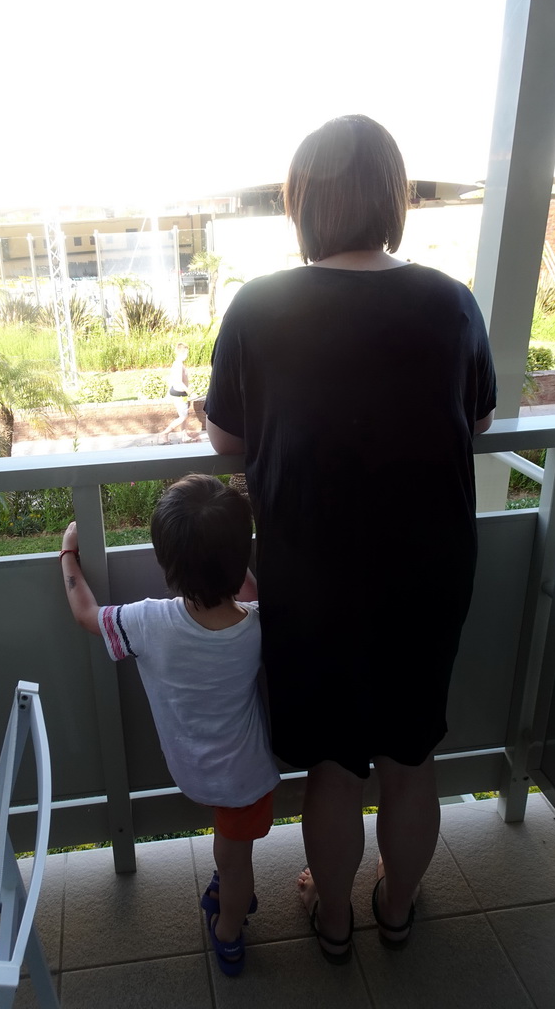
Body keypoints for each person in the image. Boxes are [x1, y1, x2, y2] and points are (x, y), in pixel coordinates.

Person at [204, 114, 497, 963]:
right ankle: (395, 908)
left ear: (308, 205)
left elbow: (226, 435)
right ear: (390, 200)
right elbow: (475, 417)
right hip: (429, 573)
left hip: (312, 576)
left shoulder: (261, 304)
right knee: (411, 755)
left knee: (332, 764)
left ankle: (333, 920)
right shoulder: (449, 301)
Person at [59, 473, 280, 976]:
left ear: (166, 563)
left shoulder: (148, 621)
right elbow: (246, 590)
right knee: (234, 853)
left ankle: (228, 932)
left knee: (234, 861)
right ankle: (231, 899)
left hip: (195, 770)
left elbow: (86, 614)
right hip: (243, 779)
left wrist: (69, 556)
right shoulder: (260, 623)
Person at [159, 342, 198, 442]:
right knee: (183, 416)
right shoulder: (178, 365)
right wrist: (190, 392)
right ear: (183, 353)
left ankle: (184, 436)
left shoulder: (178, 364)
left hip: (181, 394)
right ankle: (164, 433)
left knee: (184, 415)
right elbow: (179, 382)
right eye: (187, 353)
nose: (187, 355)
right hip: (179, 394)